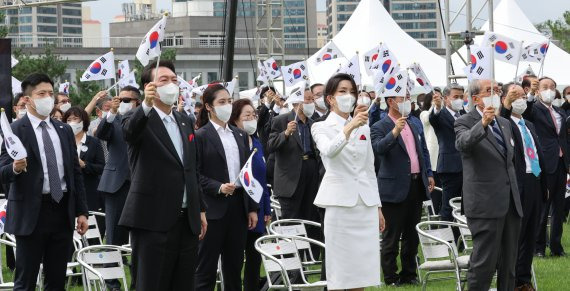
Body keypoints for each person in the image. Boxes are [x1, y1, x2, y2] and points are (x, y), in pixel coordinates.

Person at [119, 60, 207, 291]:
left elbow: (191, 168)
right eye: (163, 80)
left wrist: (200, 209)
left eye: (174, 80)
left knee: (183, 283)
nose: (171, 84)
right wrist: (145, 105)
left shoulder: (184, 120)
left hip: (186, 221)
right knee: (151, 283)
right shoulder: (138, 118)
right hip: (152, 220)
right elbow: (129, 132)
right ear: (149, 87)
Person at [0, 73, 89, 290]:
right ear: (28, 99)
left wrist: (82, 211)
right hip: (31, 213)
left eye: (50, 93)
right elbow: (1, 170)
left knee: (56, 280)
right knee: (26, 280)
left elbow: (75, 174)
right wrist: (14, 168)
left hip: (62, 210)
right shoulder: (14, 130)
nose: (48, 98)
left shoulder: (64, 130)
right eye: (42, 94)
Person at [311, 73, 385, 290]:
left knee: (362, 272)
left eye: (352, 91)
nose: (348, 96)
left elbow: (369, 168)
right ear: (330, 98)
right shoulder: (320, 127)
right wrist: (350, 126)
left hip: (365, 205)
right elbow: (329, 151)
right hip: (340, 205)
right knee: (342, 272)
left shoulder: (364, 127)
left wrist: (377, 205)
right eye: (342, 91)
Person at [455, 79, 523, 290]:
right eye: (489, 91)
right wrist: (482, 123)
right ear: (476, 98)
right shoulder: (464, 121)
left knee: (509, 266)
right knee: (484, 263)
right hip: (485, 204)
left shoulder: (503, 122)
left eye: (498, 90)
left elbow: (509, 159)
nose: (496, 93)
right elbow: (463, 144)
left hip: (510, 202)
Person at [194, 84, 258, 291]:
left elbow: (247, 173)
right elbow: (195, 174)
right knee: (206, 269)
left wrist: (251, 208)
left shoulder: (239, 135)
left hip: (238, 208)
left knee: (234, 267)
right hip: (211, 210)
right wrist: (218, 187)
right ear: (209, 107)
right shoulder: (201, 136)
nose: (227, 106)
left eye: (229, 101)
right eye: (221, 102)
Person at [371, 91, 434, 286]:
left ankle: (409, 274)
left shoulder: (414, 122)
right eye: (402, 98)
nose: (408, 102)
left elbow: (422, 150)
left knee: (411, 234)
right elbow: (378, 149)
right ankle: (390, 276)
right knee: (391, 236)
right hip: (393, 187)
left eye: (408, 97)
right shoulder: (379, 126)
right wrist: (395, 132)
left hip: (415, 184)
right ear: (391, 102)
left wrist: (429, 173)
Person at [500, 83, 547, 291]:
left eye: (522, 95)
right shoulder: (504, 123)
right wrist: (507, 104)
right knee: (516, 235)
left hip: (535, 180)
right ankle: (512, 280)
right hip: (518, 183)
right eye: (514, 95)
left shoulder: (529, 124)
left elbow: (537, 154)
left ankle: (524, 280)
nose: (520, 98)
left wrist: (543, 182)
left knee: (531, 233)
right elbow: (501, 117)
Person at [96, 85, 140, 289]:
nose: (121, 102)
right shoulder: (113, 120)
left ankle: (138, 282)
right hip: (116, 185)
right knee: (113, 237)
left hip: (141, 185)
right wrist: (111, 113)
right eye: (119, 99)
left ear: (137, 102)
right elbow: (100, 134)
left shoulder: (145, 121)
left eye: (126, 100)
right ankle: (112, 284)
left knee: (140, 239)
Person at [522, 76, 570, 257]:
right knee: (543, 208)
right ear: (538, 90)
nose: (548, 89)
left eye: (552, 87)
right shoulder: (534, 108)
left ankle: (556, 246)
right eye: (544, 87)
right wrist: (530, 96)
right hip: (543, 163)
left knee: (559, 208)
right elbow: (525, 114)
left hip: (560, 163)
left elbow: (564, 137)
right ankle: (538, 247)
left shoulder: (560, 111)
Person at [229, 99, 271, 291]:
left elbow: (262, 180)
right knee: (234, 259)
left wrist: (266, 208)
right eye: (247, 115)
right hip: (238, 208)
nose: (251, 119)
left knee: (255, 257)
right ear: (235, 118)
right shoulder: (231, 142)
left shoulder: (256, 142)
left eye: (254, 115)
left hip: (259, 207)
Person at [267, 87, 320, 222]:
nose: (311, 102)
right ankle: (291, 242)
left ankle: (310, 242)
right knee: (291, 218)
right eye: (307, 99)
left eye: (312, 99)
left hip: (310, 171)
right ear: (296, 102)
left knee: (310, 215)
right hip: (290, 176)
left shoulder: (313, 123)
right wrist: (285, 133)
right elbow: (271, 145)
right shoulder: (281, 120)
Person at [63, 106, 106, 239]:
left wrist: (84, 165)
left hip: (90, 193)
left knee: (92, 235)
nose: (72, 123)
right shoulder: (62, 141)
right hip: (68, 193)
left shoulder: (93, 142)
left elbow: (101, 167)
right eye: (69, 119)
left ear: (83, 121)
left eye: (76, 119)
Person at [430, 84, 466, 221]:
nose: (459, 100)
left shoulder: (464, 114)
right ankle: (446, 238)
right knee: (448, 207)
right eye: (455, 97)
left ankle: (460, 240)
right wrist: (437, 107)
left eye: (461, 97)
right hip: (450, 167)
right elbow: (434, 119)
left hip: (466, 166)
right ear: (446, 98)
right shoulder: (441, 114)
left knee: (462, 208)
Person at [419, 90, 441, 213]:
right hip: (432, 161)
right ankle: (432, 219)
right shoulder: (424, 114)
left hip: (443, 159)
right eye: (435, 98)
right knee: (434, 195)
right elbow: (428, 119)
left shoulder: (442, 114)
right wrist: (435, 105)